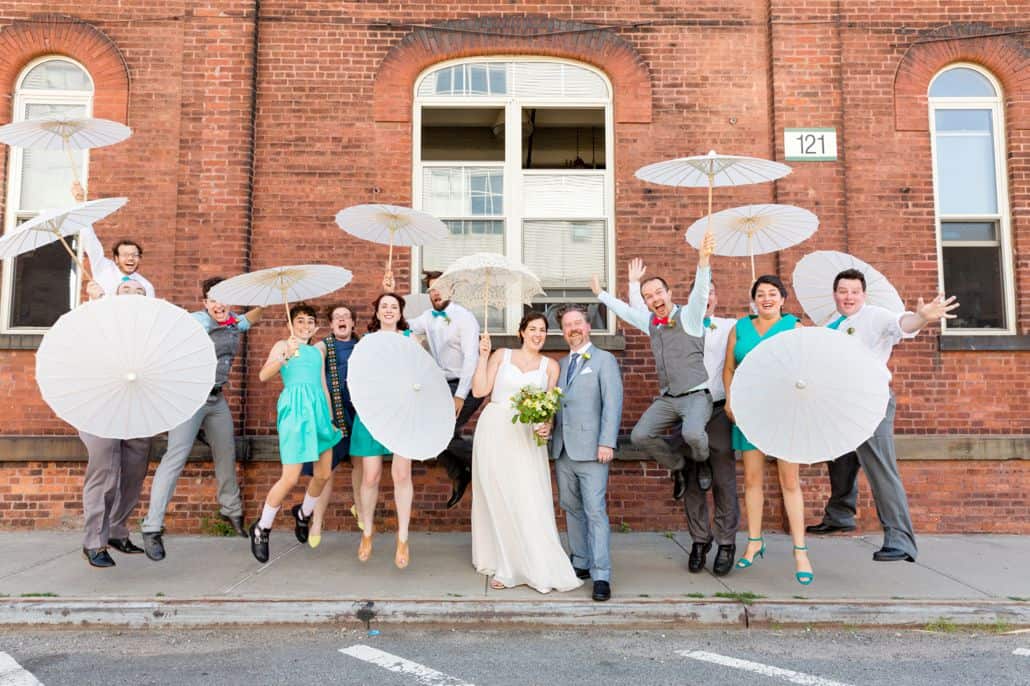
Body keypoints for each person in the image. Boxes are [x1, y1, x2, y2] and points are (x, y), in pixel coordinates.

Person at [806, 268, 958, 563]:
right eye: (842, 291)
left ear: (863, 295)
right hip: (840, 403)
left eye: (854, 291)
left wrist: (922, 317)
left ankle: (901, 540)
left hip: (870, 401)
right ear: (835, 294)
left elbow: (903, 324)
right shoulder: (832, 324)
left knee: (880, 467)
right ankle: (839, 515)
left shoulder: (875, 316)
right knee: (838, 456)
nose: (848, 296)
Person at [140, 277, 263, 561]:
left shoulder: (233, 321)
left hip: (216, 400)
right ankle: (152, 527)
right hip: (189, 401)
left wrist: (265, 301)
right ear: (205, 303)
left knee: (226, 452)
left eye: (224, 298)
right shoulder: (196, 321)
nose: (219, 305)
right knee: (175, 458)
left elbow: (248, 320)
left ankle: (230, 511)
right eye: (213, 299)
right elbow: (186, 329)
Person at [629, 262, 739, 576]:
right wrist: (633, 284)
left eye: (710, 294)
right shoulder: (672, 323)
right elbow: (642, 311)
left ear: (715, 297)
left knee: (722, 480)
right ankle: (699, 540)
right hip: (683, 406)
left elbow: (757, 337)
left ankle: (726, 542)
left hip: (716, 409)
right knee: (693, 479)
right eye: (700, 295)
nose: (705, 299)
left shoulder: (729, 327)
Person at [591, 231, 716, 498]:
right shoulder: (651, 322)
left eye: (659, 292)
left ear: (669, 293)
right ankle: (679, 466)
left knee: (694, 435)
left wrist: (703, 260)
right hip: (668, 398)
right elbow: (628, 310)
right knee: (639, 436)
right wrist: (602, 293)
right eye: (649, 296)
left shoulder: (691, 317)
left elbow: (700, 293)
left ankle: (703, 462)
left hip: (696, 395)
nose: (655, 298)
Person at [470, 312, 582, 594]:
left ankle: (530, 562)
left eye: (542, 330)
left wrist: (547, 424)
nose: (537, 334)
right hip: (494, 431)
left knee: (527, 496)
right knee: (496, 495)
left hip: (526, 437)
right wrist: (483, 356)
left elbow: (550, 407)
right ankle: (504, 563)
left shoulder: (550, 367)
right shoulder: (501, 355)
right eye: (532, 329)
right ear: (521, 332)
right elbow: (480, 389)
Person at [723, 275, 813, 585]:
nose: (766, 298)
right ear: (753, 299)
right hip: (751, 412)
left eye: (772, 293)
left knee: (789, 481)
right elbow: (729, 368)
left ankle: (800, 551)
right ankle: (754, 542)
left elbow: (809, 368)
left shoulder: (795, 328)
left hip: (786, 411)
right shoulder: (740, 328)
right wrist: (730, 401)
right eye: (760, 294)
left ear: (783, 298)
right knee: (751, 480)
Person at [249, 303, 342, 563]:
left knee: (323, 473)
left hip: (319, 413)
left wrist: (332, 418)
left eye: (309, 321)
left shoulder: (316, 352)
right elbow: (263, 376)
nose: (305, 325)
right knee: (290, 477)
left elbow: (323, 385)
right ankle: (262, 527)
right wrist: (285, 356)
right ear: (291, 323)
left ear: (316, 326)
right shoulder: (283, 345)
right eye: (300, 320)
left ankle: (303, 513)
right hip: (295, 412)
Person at [545, 306, 623, 601]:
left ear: (588, 327)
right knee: (571, 507)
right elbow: (556, 406)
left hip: (593, 450)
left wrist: (607, 442)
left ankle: (602, 574)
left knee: (595, 511)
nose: (573, 328)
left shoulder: (605, 360)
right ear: (563, 331)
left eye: (578, 323)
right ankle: (581, 562)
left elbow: (612, 404)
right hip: (563, 449)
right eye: (567, 325)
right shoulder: (560, 365)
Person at [79, 279, 153, 568]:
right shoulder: (97, 324)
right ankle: (94, 541)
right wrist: (93, 304)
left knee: (134, 474)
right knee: (105, 474)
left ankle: (117, 531)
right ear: (114, 295)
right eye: (126, 289)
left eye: (140, 291)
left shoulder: (149, 333)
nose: (133, 294)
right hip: (101, 408)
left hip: (137, 410)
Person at [349, 292, 417, 569]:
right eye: (384, 307)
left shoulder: (410, 340)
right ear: (376, 313)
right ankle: (367, 532)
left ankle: (403, 538)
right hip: (372, 413)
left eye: (394, 307)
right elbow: (357, 377)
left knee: (401, 474)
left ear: (400, 313)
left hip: (402, 412)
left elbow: (419, 375)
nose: (389, 311)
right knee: (371, 476)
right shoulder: (366, 342)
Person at [407, 271, 482, 508]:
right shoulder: (428, 317)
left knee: (441, 432)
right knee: (432, 434)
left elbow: (472, 358)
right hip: (441, 386)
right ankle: (460, 471)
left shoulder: (465, 318)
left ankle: (483, 461)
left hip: (466, 385)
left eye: (440, 287)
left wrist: (460, 395)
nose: (435, 293)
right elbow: (400, 325)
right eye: (431, 289)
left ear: (452, 290)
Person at [294, 303, 361, 548]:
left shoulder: (364, 345)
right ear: (331, 325)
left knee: (360, 462)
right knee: (327, 468)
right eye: (337, 317)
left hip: (359, 411)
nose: (342, 320)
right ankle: (317, 521)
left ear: (353, 323)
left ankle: (361, 509)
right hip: (332, 412)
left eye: (346, 316)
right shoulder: (323, 347)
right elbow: (309, 367)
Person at [72, 180, 156, 299]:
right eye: (125, 255)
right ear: (116, 258)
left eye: (135, 255)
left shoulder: (145, 287)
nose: (130, 258)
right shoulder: (103, 267)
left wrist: (101, 296)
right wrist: (80, 203)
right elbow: (89, 240)